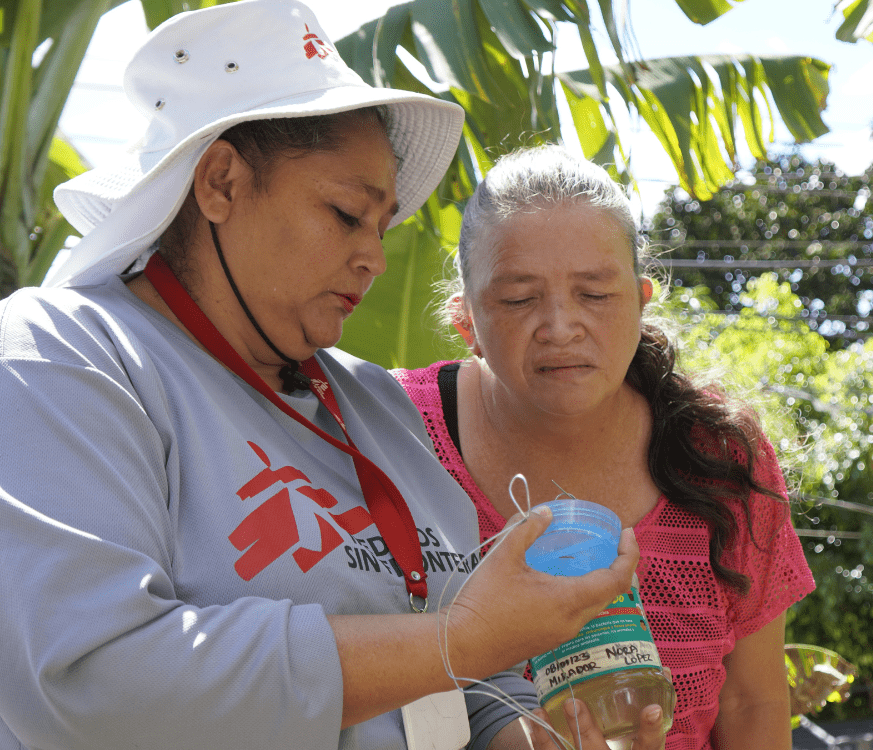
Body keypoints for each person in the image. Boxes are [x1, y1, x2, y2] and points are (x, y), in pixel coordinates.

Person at [0, 5, 663, 750]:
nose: (374, 258)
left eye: (383, 226)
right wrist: (460, 640)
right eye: (348, 214)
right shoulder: (66, 355)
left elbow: (461, 689)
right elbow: (92, 683)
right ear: (221, 183)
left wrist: (544, 737)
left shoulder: (373, 405)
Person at [391, 145, 818, 750]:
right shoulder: (395, 433)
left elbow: (754, 702)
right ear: (467, 322)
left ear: (642, 302)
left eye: (594, 294)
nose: (561, 327)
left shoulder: (719, 456)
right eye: (518, 299)